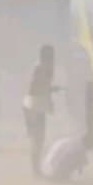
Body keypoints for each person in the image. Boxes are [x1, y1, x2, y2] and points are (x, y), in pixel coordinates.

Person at [23, 44, 58, 175]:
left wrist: (49, 90)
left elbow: (38, 86)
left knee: (37, 138)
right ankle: (36, 169)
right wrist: (49, 92)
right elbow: (36, 88)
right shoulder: (43, 68)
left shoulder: (40, 67)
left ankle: (36, 168)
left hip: (33, 105)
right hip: (35, 106)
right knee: (38, 138)